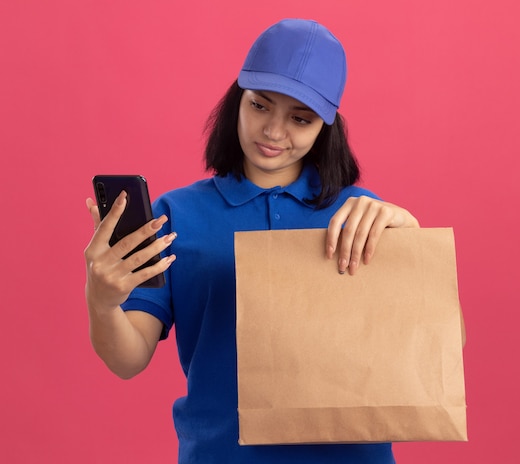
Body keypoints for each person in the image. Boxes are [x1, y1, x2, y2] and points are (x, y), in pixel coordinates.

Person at [84, 19, 422, 463]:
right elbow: (128, 359)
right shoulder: (175, 215)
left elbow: (429, 345)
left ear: (326, 127)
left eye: (300, 119)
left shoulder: (360, 214)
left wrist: (412, 240)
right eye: (260, 106)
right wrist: (102, 300)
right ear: (236, 100)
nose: (274, 132)